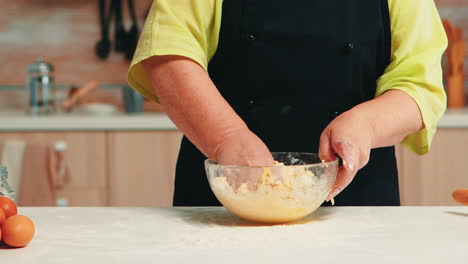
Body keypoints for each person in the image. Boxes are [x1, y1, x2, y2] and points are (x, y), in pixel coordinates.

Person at [127, 0, 447, 206]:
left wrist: (366, 125)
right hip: (222, 204)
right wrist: (226, 137)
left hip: (356, 206)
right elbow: (169, 56)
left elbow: (418, 86)